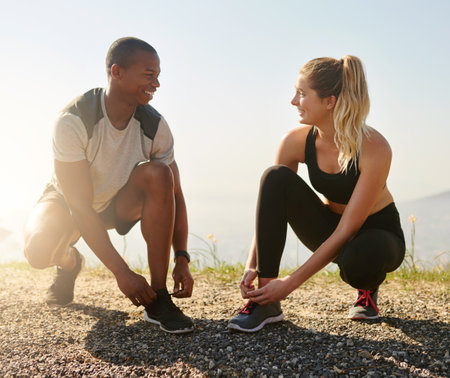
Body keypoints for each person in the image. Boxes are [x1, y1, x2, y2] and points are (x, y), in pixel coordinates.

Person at [24, 37, 194, 334]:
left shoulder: (155, 126)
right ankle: (68, 261)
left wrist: (182, 257)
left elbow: (174, 195)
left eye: (157, 75)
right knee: (37, 251)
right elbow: (79, 205)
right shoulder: (73, 120)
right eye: (148, 74)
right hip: (69, 203)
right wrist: (122, 273)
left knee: (159, 174)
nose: (156, 83)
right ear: (117, 72)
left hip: (118, 204)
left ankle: (159, 297)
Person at [228, 55, 405, 332]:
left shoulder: (374, 147)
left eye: (301, 93)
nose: (293, 101)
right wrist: (254, 265)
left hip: (377, 233)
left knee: (357, 259)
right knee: (274, 177)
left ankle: (367, 288)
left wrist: (289, 284)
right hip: (330, 224)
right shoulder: (295, 141)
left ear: (329, 101)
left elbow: (349, 229)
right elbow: (271, 204)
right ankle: (265, 302)